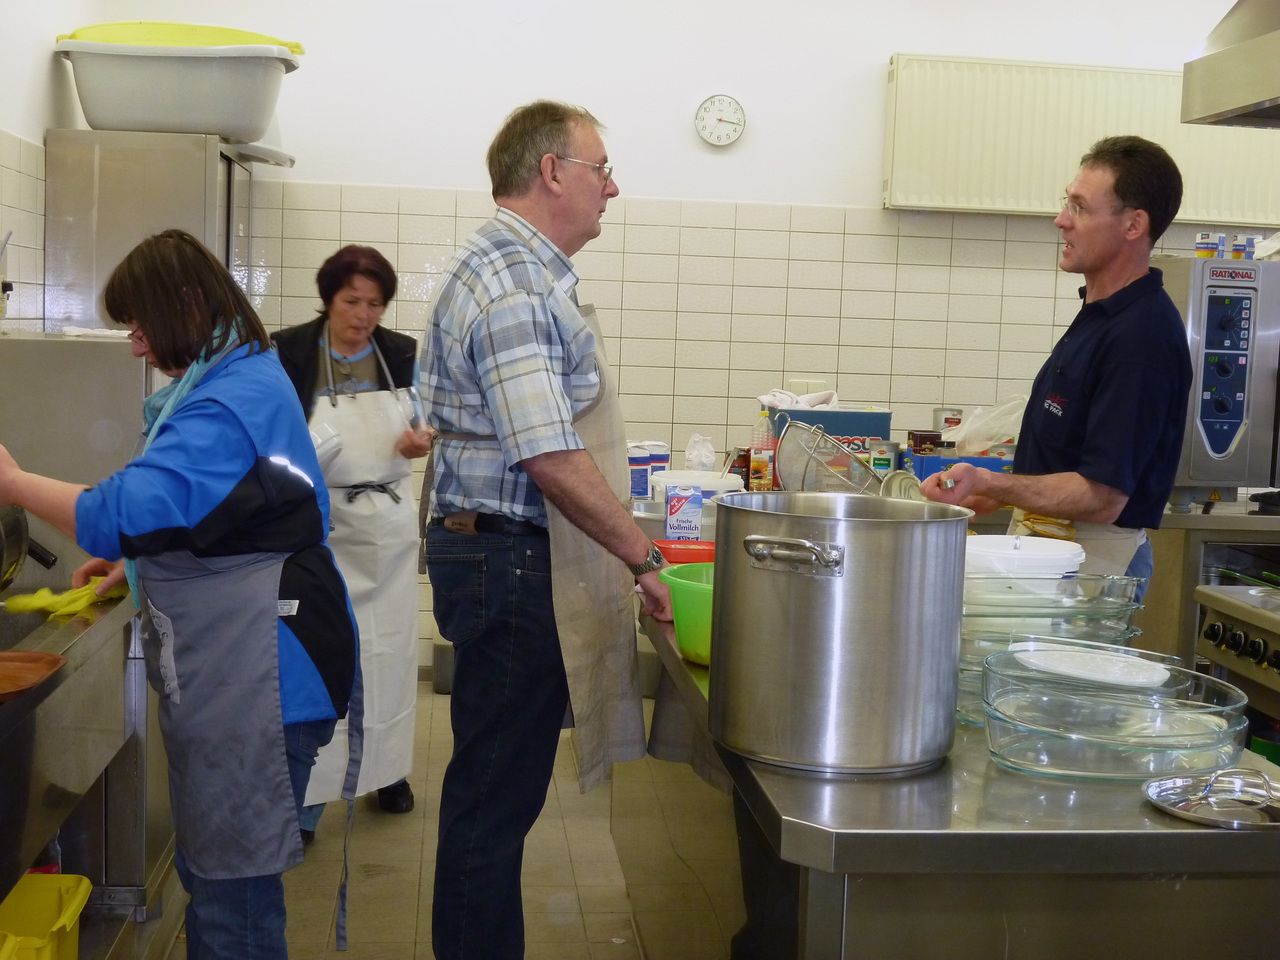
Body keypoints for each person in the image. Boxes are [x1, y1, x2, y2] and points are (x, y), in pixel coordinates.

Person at [0, 229, 359, 958]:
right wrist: (134, 567)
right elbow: (214, 514)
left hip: (264, 669)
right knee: (221, 879)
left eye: (139, 325)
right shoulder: (237, 373)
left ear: (187, 304)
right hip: (252, 660)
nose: (136, 345)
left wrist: (12, 482)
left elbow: (118, 513)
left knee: (235, 904)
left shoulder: (231, 400)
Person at [419, 99, 673, 959]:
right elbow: (549, 454)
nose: (613, 188)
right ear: (553, 172)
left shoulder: (518, 272)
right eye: (603, 170)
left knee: (494, 795)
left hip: (500, 554)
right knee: (493, 801)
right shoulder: (513, 287)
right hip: (507, 563)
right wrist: (643, 555)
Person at [922, 135, 1192, 601]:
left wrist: (989, 480)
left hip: (1091, 567)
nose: (1061, 220)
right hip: (1051, 553)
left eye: (1080, 208)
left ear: (1133, 224)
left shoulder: (1141, 336)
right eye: (1067, 202)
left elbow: (1102, 497)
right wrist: (992, 494)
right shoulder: (1100, 316)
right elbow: (1068, 459)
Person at [272, 245, 432, 836]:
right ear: (328, 299)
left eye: (375, 304)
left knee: (388, 656)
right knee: (324, 659)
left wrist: (418, 441)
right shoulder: (288, 352)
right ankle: (310, 798)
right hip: (321, 526)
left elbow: (426, 422)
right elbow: (273, 437)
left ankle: (387, 772)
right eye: (351, 301)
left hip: (386, 528)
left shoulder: (401, 354)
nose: (363, 315)